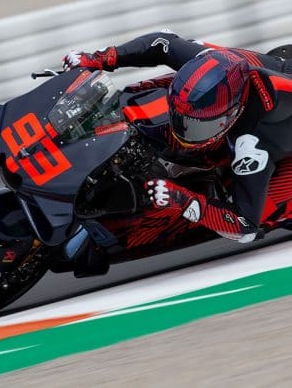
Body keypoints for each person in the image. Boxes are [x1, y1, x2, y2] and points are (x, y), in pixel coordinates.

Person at [63, 30, 292, 243]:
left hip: (277, 134)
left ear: (231, 114)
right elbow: (162, 42)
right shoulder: (210, 59)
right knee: (175, 87)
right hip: (278, 68)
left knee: (267, 208)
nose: (182, 131)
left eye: (196, 127)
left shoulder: (251, 146)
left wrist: (182, 199)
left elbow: (246, 225)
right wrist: (100, 58)